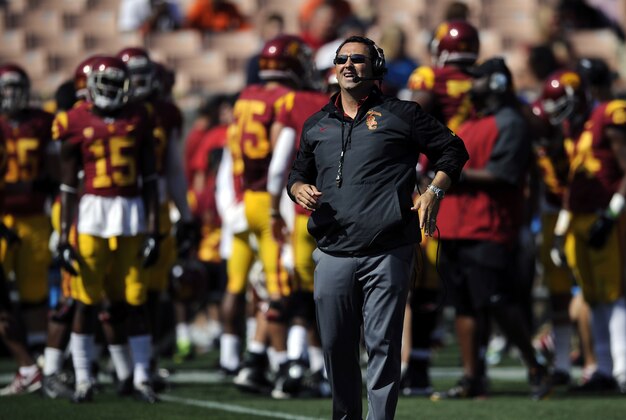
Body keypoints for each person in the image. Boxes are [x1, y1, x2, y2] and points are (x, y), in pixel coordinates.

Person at [287, 36, 469, 419]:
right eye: (343, 59)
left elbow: (453, 149)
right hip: (333, 250)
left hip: (387, 248)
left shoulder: (403, 113)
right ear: (334, 68)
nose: (349, 65)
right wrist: (297, 188)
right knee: (336, 347)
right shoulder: (315, 124)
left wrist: (434, 190)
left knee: (383, 346)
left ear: (376, 68)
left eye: (358, 59)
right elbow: (297, 174)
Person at [434, 57, 552, 400]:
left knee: (497, 300)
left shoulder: (511, 122)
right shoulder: (469, 124)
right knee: (465, 305)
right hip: (456, 225)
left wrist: (455, 175)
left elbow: (505, 173)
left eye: (479, 79)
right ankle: (472, 378)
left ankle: (535, 365)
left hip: (489, 224)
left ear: (497, 83)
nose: (471, 85)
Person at [53, 55, 160, 403]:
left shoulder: (139, 117)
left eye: (118, 83)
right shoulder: (73, 120)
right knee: (84, 300)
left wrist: (155, 228)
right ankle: (84, 377)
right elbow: (68, 186)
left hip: (131, 212)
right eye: (107, 83)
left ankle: (142, 377)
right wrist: (65, 234)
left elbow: (150, 179)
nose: (113, 90)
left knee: (133, 298)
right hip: (92, 214)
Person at [403, 19, 479, 396]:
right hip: (474, 184)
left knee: (420, 281)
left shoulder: (429, 78)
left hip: (433, 184)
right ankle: (426, 364)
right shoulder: (484, 80)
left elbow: (410, 121)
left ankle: (414, 365)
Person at [542, 68, 626, 394]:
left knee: (615, 294)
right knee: (593, 297)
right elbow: (572, 185)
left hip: (606, 214)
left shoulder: (608, 115)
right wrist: (561, 231)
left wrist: (612, 213)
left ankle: (621, 369)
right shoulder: (574, 128)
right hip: (578, 219)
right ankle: (603, 368)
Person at [0, 63, 57, 354]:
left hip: (34, 217)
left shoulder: (43, 122)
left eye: (17, 88)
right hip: (3, 215)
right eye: (7, 88)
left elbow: (56, 170)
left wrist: (42, 184)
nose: (12, 94)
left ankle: (36, 347)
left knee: (34, 290)